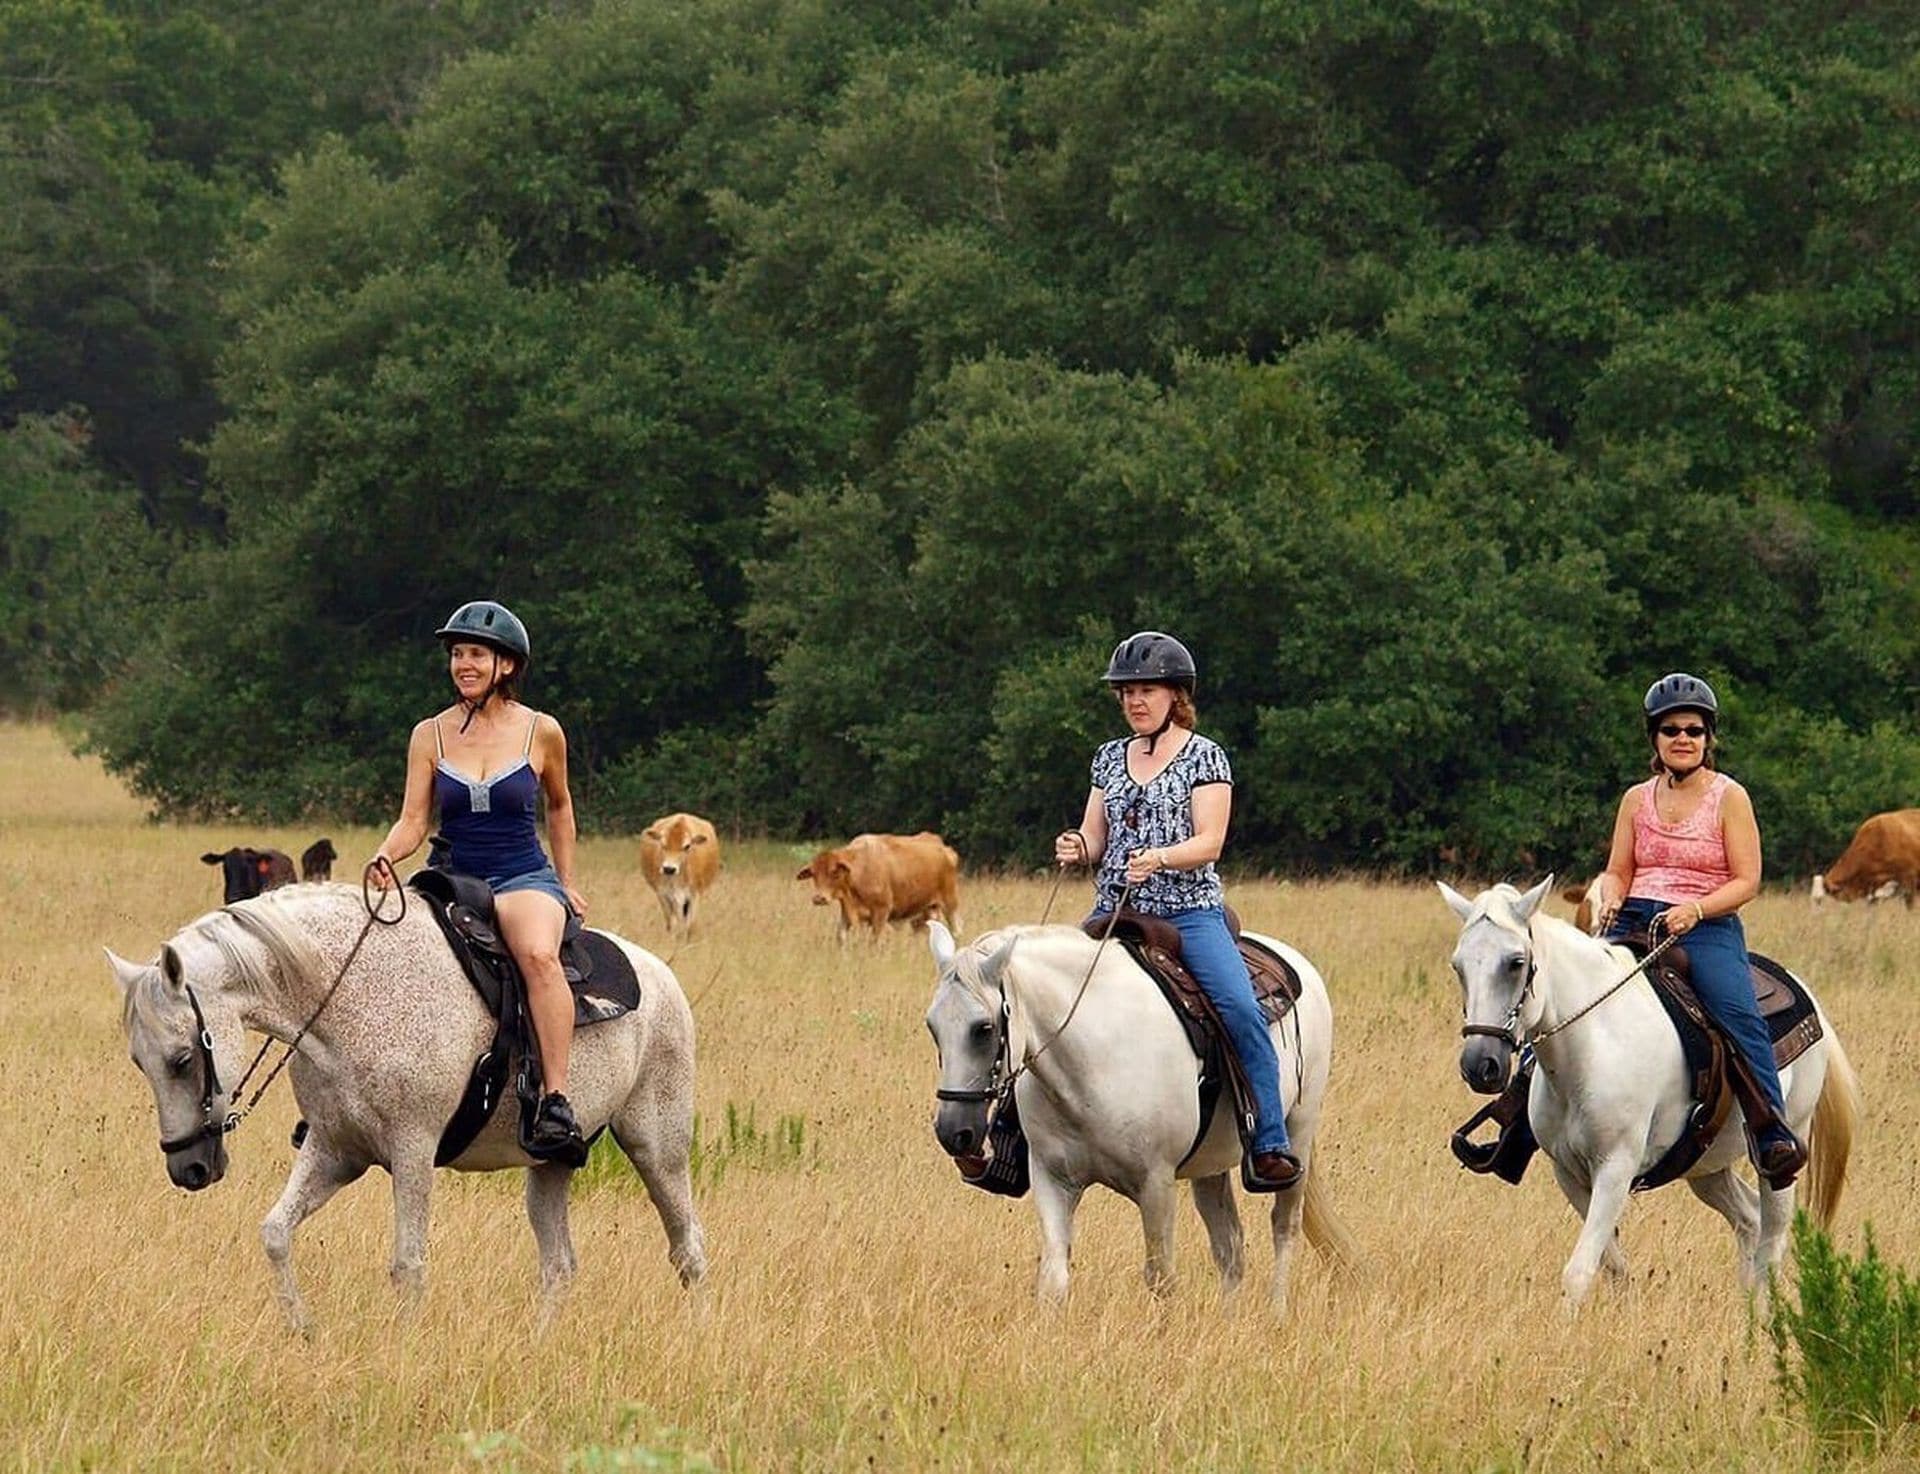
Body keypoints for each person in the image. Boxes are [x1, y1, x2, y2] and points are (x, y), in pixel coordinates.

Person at [1052, 631, 1300, 1191]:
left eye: (1147, 690)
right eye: (1127, 692)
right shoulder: (1109, 758)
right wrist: (1077, 846)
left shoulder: (1204, 755)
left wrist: (1161, 857)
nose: (1135, 701)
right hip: (1114, 914)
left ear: (1175, 696)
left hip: (1189, 916)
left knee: (1240, 1009)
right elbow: (1095, 838)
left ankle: (1269, 1141)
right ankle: (1015, 1139)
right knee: (1039, 997)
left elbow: (1211, 842)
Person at [368, 600, 589, 1162]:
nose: (464, 663)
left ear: (507, 665)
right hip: (452, 877)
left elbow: (559, 808)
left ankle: (556, 1100)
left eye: (476, 654)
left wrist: (566, 881)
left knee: (538, 955)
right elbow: (415, 820)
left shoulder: (543, 731)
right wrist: (386, 856)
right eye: (457, 654)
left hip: (521, 875)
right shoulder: (429, 735)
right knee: (381, 952)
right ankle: (354, 1098)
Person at [1593, 672, 1807, 1187]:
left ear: (1709, 738)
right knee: (1567, 993)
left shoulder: (1729, 797)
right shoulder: (1635, 800)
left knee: (1737, 1012)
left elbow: (1748, 879)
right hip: (1634, 916)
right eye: (1671, 730)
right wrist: (1609, 893)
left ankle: (1771, 1132)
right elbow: (1618, 867)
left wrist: (1696, 909)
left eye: (1693, 729)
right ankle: (1519, 1120)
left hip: (1705, 924)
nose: (1683, 738)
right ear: (1655, 739)